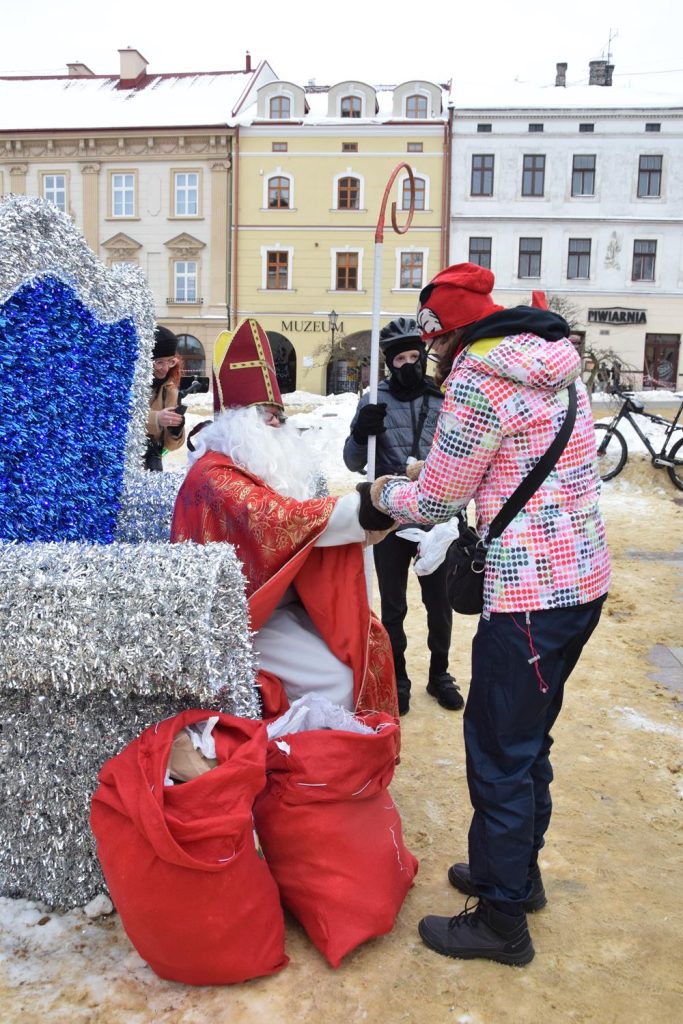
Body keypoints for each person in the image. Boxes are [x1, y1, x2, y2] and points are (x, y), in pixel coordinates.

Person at [370, 263, 611, 965]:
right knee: (527, 739)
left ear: (447, 335)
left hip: (528, 595)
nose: (432, 355)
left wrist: (383, 491)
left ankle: (501, 921)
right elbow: (520, 458)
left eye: (433, 341)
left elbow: (435, 504)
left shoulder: (477, 379)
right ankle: (516, 875)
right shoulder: (556, 365)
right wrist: (436, 473)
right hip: (581, 580)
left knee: (500, 752)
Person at [171, 318, 398, 719]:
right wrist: (362, 510)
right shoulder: (213, 474)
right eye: (267, 414)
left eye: (280, 413)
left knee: (365, 640)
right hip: (237, 618)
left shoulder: (252, 464)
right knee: (338, 680)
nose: (279, 423)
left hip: (277, 603)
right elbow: (276, 520)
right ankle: (301, 749)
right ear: (238, 421)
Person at [343, 316, 461, 716]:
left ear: (423, 357)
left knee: (440, 604)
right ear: (389, 362)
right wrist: (361, 433)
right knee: (393, 607)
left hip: (436, 518)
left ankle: (440, 674)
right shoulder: (373, 400)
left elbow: (462, 455)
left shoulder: (443, 397)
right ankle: (399, 677)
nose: (408, 365)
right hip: (389, 517)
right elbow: (353, 461)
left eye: (414, 357)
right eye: (399, 359)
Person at [145, 325, 185, 471]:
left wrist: (176, 430)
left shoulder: (169, 390)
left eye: (170, 361)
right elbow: (119, 418)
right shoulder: (126, 385)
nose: (166, 368)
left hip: (149, 468)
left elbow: (170, 446)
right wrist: (156, 419)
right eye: (159, 362)